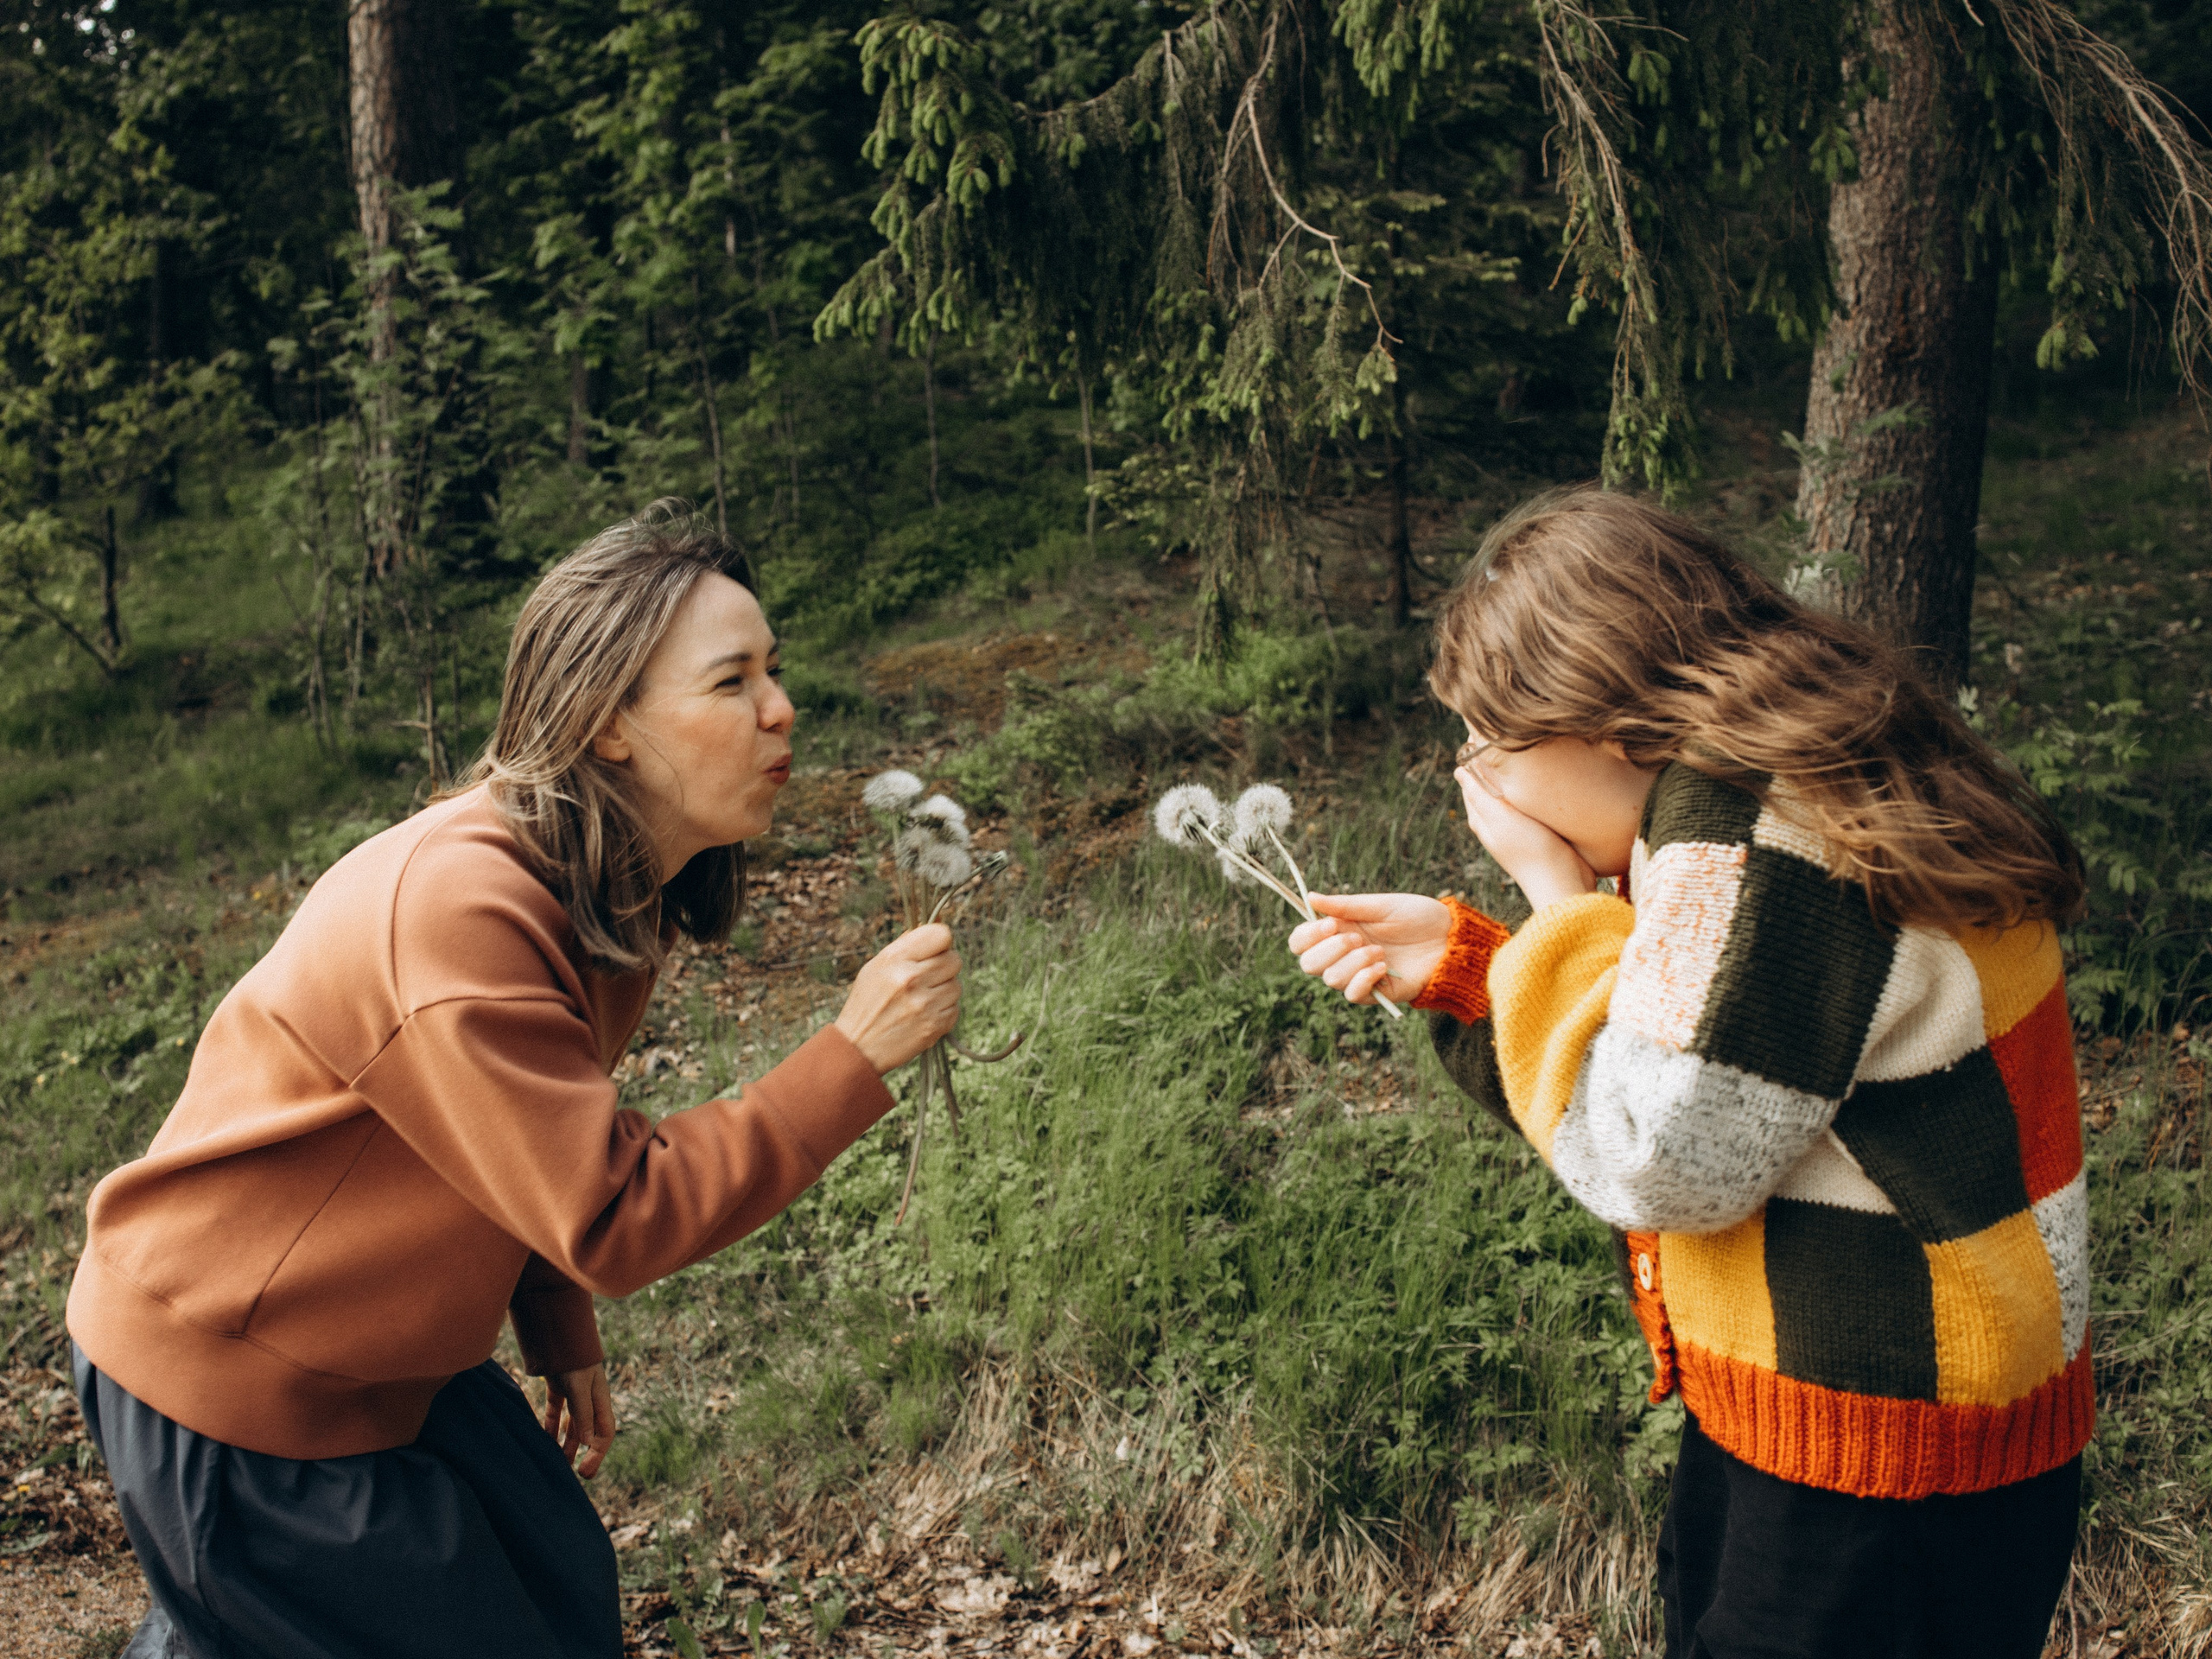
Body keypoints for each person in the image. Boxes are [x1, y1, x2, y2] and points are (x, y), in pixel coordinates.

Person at [67, 501, 962, 1659]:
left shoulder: (605, 888)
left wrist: (553, 1318)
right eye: (733, 680)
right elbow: (610, 1205)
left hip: (379, 1351)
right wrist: (850, 1056)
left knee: (558, 1592)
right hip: (233, 1375)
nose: (783, 708)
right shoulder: (464, 907)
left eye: (774, 669)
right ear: (610, 726)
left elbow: (509, 1135)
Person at [1287, 489, 2090, 1659]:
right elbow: (1711, 1057)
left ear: (1605, 720)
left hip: (1881, 1461)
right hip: (1851, 1421)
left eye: (1495, 742)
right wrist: (1477, 977)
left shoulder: (1765, 833)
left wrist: (1551, 899)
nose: (1480, 785)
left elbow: (1656, 1158)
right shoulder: (1794, 776)